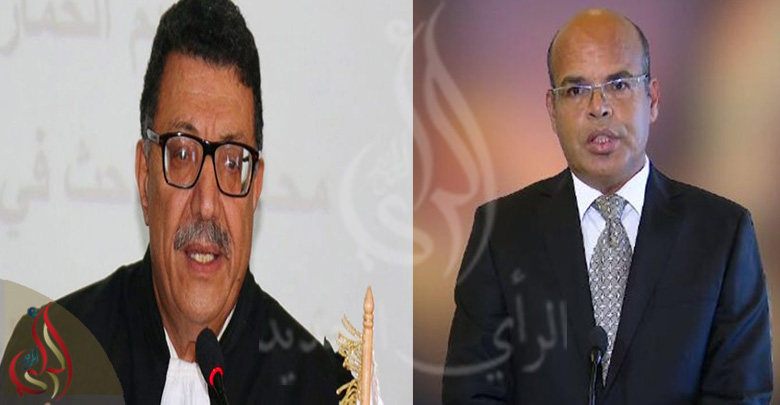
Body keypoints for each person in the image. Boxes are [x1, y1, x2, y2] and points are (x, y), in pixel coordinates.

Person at [10, 0, 350, 403]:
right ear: (145, 179)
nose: (206, 204)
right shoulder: (50, 364)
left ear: (255, 188)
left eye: (231, 162)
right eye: (183, 154)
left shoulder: (321, 390)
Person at [442, 9, 772, 404]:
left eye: (618, 85)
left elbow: (741, 392)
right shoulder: (501, 232)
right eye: (576, 90)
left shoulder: (722, 233)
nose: (598, 107)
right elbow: (471, 392)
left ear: (652, 98)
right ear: (552, 110)